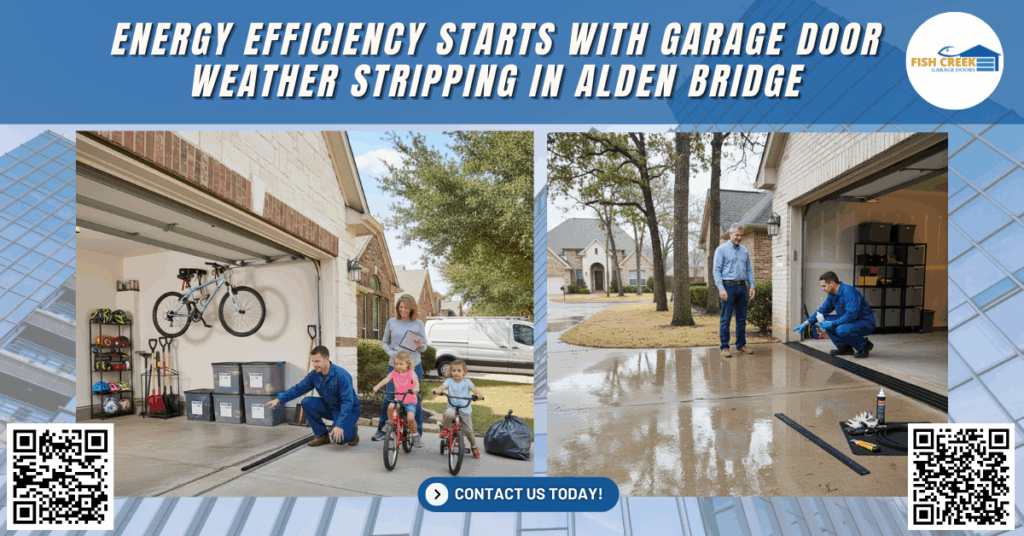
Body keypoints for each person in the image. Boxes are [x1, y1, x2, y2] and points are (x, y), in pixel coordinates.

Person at [265, 346, 360, 446]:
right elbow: (298, 389)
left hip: (349, 410)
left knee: (339, 440)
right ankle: (322, 435)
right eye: (313, 362)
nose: (314, 365)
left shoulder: (341, 375)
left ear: (327, 359)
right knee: (307, 402)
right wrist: (279, 400)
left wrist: (340, 425)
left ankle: (352, 431)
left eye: (317, 361)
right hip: (331, 407)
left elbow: (347, 402)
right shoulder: (314, 375)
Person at [372, 295, 429, 444]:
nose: (403, 310)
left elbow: (424, 347)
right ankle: (382, 431)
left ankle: (417, 434)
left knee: (415, 400)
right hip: (395, 365)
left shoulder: (418, 323)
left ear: (412, 308)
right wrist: (391, 353)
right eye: (400, 307)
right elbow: (384, 342)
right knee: (389, 398)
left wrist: (419, 344)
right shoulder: (392, 322)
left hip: (414, 366)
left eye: (406, 307)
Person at [793, 271, 876, 358]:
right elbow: (822, 311)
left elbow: (851, 315)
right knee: (826, 321)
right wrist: (806, 323)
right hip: (851, 321)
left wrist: (832, 323)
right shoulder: (832, 295)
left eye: (824, 286)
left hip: (865, 322)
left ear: (832, 283)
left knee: (841, 329)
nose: (822, 289)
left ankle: (864, 345)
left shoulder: (849, 292)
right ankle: (845, 348)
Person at [713, 223, 756, 358]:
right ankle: (724, 347)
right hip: (728, 286)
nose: (739, 238)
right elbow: (716, 271)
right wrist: (721, 288)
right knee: (726, 319)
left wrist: (752, 285)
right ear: (730, 234)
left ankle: (740, 345)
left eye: (741, 235)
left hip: (742, 287)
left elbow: (749, 269)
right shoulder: (721, 249)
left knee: (741, 319)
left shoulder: (744, 250)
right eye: (737, 235)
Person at [432, 359, 485, 459]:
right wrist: (439, 389)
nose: (456, 373)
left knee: (469, 431)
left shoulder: (467, 382)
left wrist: (478, 394)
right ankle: (446, 429)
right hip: (452, 407)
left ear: (464, 372)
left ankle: (474, 447)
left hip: (465, 409)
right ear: (451, 372)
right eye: (453, 371)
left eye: (459, 371)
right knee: (448, 414)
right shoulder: (449, 381)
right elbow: (443, 386)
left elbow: (474, 389)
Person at [371, 351, 421, 447]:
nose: (398, 366)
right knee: (390, 406)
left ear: (408, 364)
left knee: (410, 418)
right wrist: (377, 386)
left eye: (401, 364)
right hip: (398, 399)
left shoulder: (411, 373)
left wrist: (416, 389)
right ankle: (390, 423)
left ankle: (415, 435)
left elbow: (416, 382)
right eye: (396, 364)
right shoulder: (394, 373)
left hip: (410, 400)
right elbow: (386, 380)